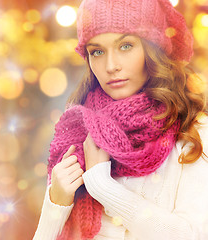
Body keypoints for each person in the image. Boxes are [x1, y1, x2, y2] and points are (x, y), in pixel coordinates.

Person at [33, 0, 208, 239]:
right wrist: (57, 202)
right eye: (97, 51)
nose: (111, 66)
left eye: (125, 46)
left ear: (153, 48)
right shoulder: (78, 132)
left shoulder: (194, 132)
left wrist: (101, 186)